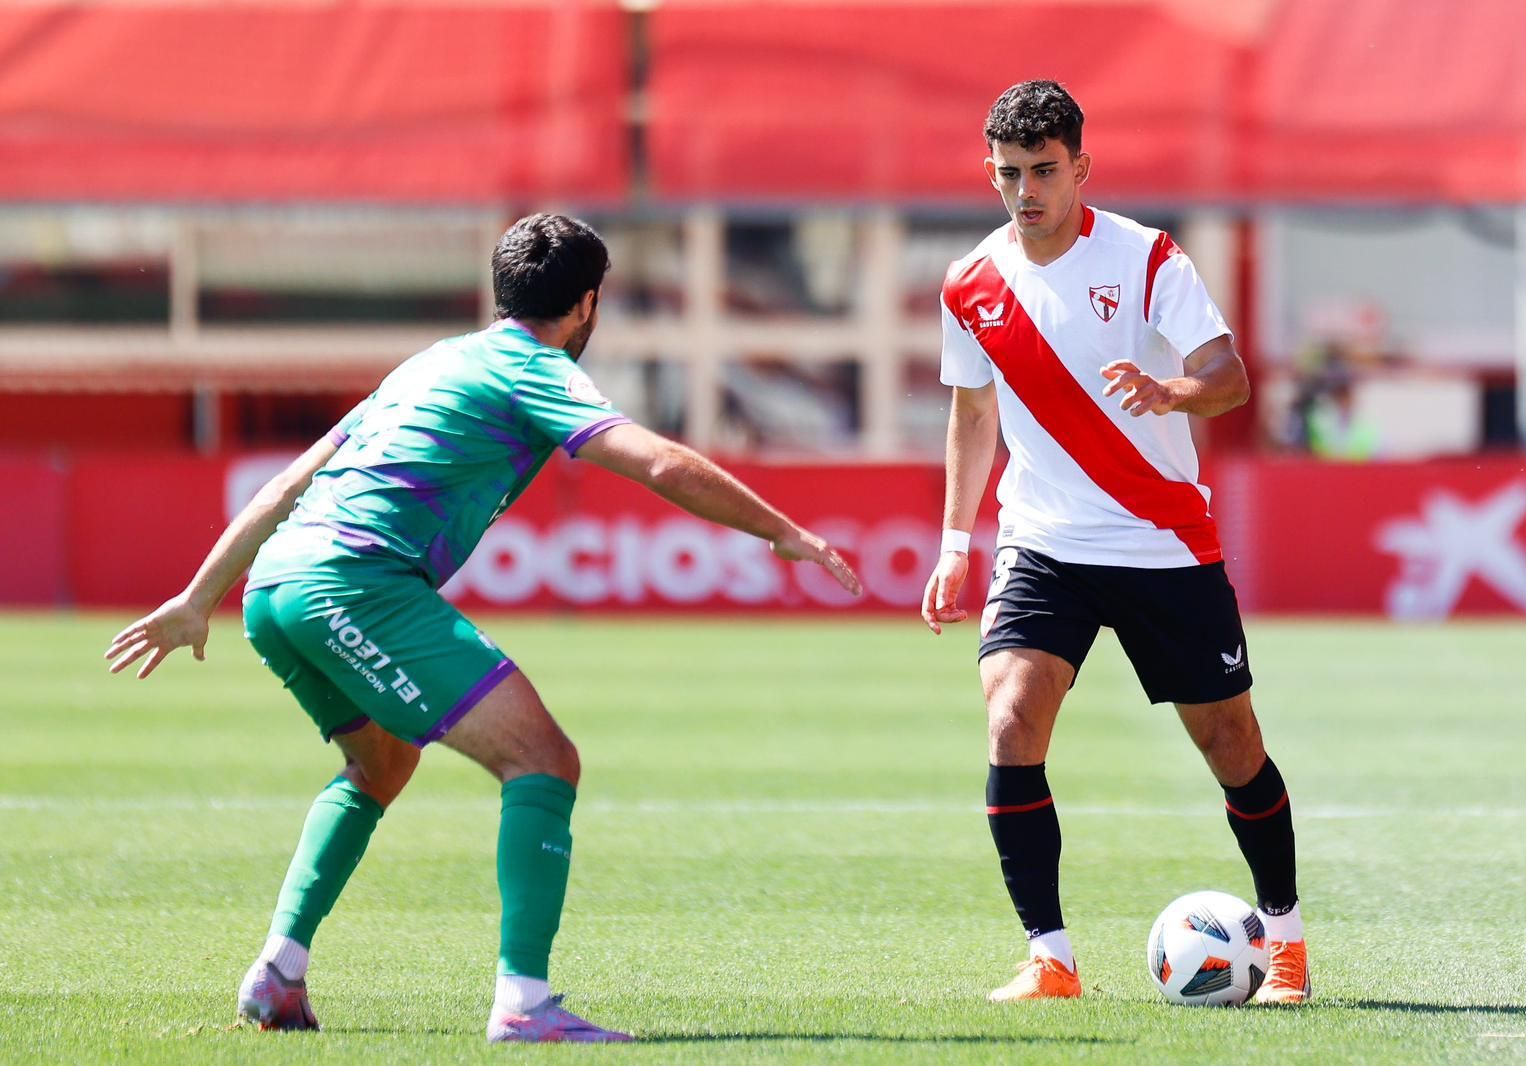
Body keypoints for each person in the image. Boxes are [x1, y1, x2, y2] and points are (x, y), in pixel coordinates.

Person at [105, 213, 861, 1044]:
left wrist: (198, 596)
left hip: (277, 586)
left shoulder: (430, 360)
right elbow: (658, 461)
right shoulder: (533, 368)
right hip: (355, 586)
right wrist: (781, 530)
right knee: (544, 760)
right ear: (586, 305)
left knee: (382, 764)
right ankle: (525, 1005)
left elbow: (291, 481)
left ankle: (280, 974)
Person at [920, 81, 1308, 1005]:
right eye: (1009, 173)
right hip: (1044, 541)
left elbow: (1230, 376)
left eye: (1044, 171)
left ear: (1081, 168)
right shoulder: (969, 282)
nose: (1026, 191)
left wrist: (1172, 393)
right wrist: (953, 541)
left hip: (1160, 539)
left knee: (1230, 742)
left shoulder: (1147, 259)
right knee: (1012, 717)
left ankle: (1285, 940)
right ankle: (1050, 959)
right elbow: (972, 413)